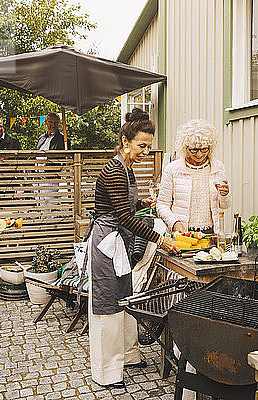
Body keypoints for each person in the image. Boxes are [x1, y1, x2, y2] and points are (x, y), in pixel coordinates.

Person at [87, 108, 179, 389]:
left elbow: (123, 207)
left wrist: (143, 204)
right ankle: (106, 372)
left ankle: (128, 355)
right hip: (107, 243)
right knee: (107, 304)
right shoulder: (115, 170)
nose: (146, 152)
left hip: (120, 242)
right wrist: (160, 239)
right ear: (125, 141)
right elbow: (123, 217)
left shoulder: (126, 168)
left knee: (124, 298)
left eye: (149, 146)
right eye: (142, 145)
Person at [157, 119, 231, 235]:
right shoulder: (172, 169)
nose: (199, 154)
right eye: (194, 150)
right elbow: (162, 204)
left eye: (204, 149)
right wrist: (174, 222)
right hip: (183, 234)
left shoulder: (218, 168)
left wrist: (225, 194)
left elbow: (225, 205)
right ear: (185, 148)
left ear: (210, 147)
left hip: (210, 233)